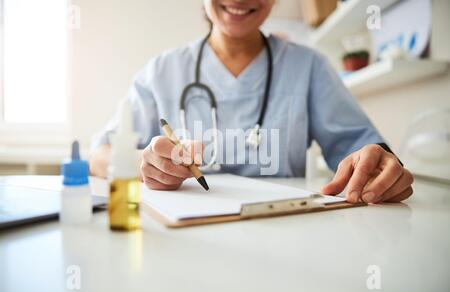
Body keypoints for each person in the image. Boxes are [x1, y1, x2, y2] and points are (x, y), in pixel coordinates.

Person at [90, 0, 414, 204]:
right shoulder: (162, 71)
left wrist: (377, 166)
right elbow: (100, 155)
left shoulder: (309, 68)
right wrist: (142, 163)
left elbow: (362, 152)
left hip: (283, 236)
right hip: (185, 239)